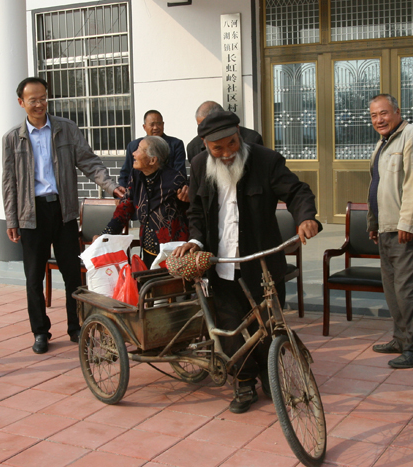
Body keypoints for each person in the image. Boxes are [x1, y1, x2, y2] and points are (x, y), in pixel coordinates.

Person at [174, 111, 319, 414]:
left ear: (239, 134)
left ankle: (270, 376)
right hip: (220, 263)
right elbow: (196, 211)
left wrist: (306, 217)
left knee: (267, 325)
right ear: (205, 145)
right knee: (229, 328)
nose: (227, 153)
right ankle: (243, 383)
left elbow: (297, 191)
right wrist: (196, 241)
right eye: (218, 148)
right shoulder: (199, 165)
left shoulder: (266, 160)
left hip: (261, 263)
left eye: (232, 143)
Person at [2, 77, 125, 354]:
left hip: (63, 211)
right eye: (33, 100)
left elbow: (88, 161)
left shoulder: (66, 129)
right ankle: (40, 332)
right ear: (21, 102)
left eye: (43, 98)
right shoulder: (12, 138)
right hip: (31, 214)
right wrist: (11, 219)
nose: (39, 104)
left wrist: (110, 185)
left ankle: (76, 326)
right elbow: (9, 182)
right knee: (33, 278)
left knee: (72, 274)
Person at [366, 94, 413, 369]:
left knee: (408, 292)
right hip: (386, 228)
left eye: (383, 113)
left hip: (404, 230)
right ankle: (401, 339)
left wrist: (408, 223)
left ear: (397, 111)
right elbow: (377, 185)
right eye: (373, 115)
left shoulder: (412, 135)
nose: (378, 120)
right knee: (393, 291)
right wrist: (373, 222)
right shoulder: (383, 142)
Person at [102, 136, 188, 268]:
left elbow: (189, 212)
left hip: (173, 253)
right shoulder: (136, 175)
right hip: (147, 249)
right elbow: (125, 207)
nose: (133, 153)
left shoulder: (176, 180)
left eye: (139, 150)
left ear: (153, 160)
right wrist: (106, 234)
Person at [118, 110, 186, 188]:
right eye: (152, 124)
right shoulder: (134, 146)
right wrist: (123, 190)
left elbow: (180, 172)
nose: (156, 127)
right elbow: (126, 173)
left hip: (167, 189)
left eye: (159, 124)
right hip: (140, 189)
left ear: (163, 125)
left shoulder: (175, 144)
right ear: (144, 127)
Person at [185, 101, 263, 162]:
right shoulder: (193, 148)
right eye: (200, 126)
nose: (226, 154)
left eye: (231, 144)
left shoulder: (252, 139)